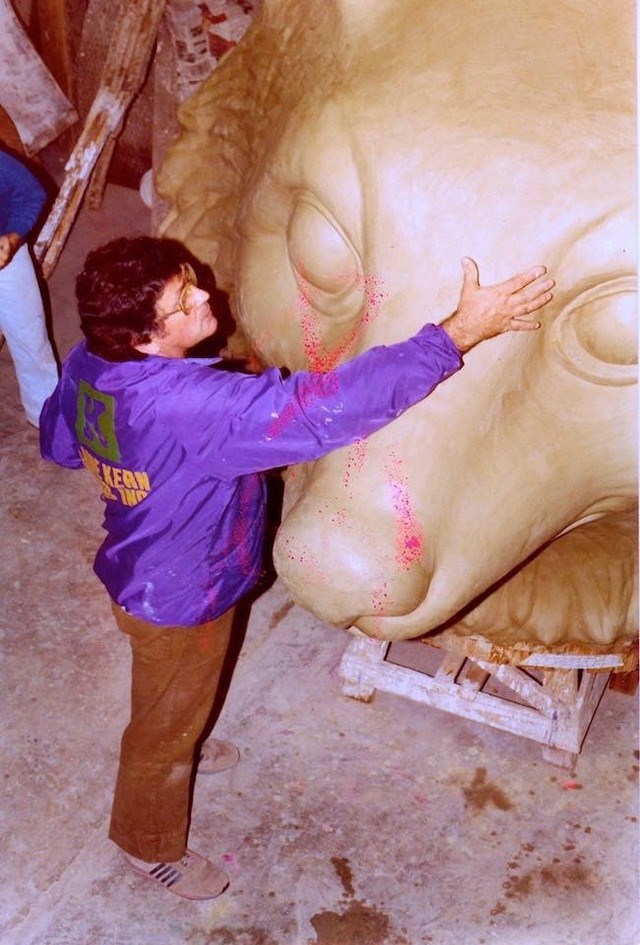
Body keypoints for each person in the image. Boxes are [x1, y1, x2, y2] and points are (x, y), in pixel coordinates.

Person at [39, 235, 554, 901]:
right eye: (183, 300)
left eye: (193, 279)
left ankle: (184, 738)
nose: (207, 296)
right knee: (159, 726)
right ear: (143, 336)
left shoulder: (90, 361)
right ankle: (147, 841)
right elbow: (325, 409)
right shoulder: (189, 405)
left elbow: (57, 442)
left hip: (140, 562)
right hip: (180, 592)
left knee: (177, 699)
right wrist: (457, 334)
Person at [0, 147, 58, 426]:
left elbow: (31, 192)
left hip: (5, 258)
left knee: (29, 336)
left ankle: (45, 415)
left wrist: (12, 236)